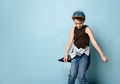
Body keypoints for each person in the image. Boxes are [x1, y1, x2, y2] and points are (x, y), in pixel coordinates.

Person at [63, 11, 108, 84]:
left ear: (83, 21)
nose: (78, 25)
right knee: (72, 75)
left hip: (84, 56)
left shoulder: (87, 29)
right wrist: (66, 54)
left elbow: (94, 42)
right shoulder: (73, 29)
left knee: (81, 76)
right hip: (75, 55)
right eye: (76, 23)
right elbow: (70, 42)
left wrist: (102, 55)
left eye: (80, 23)